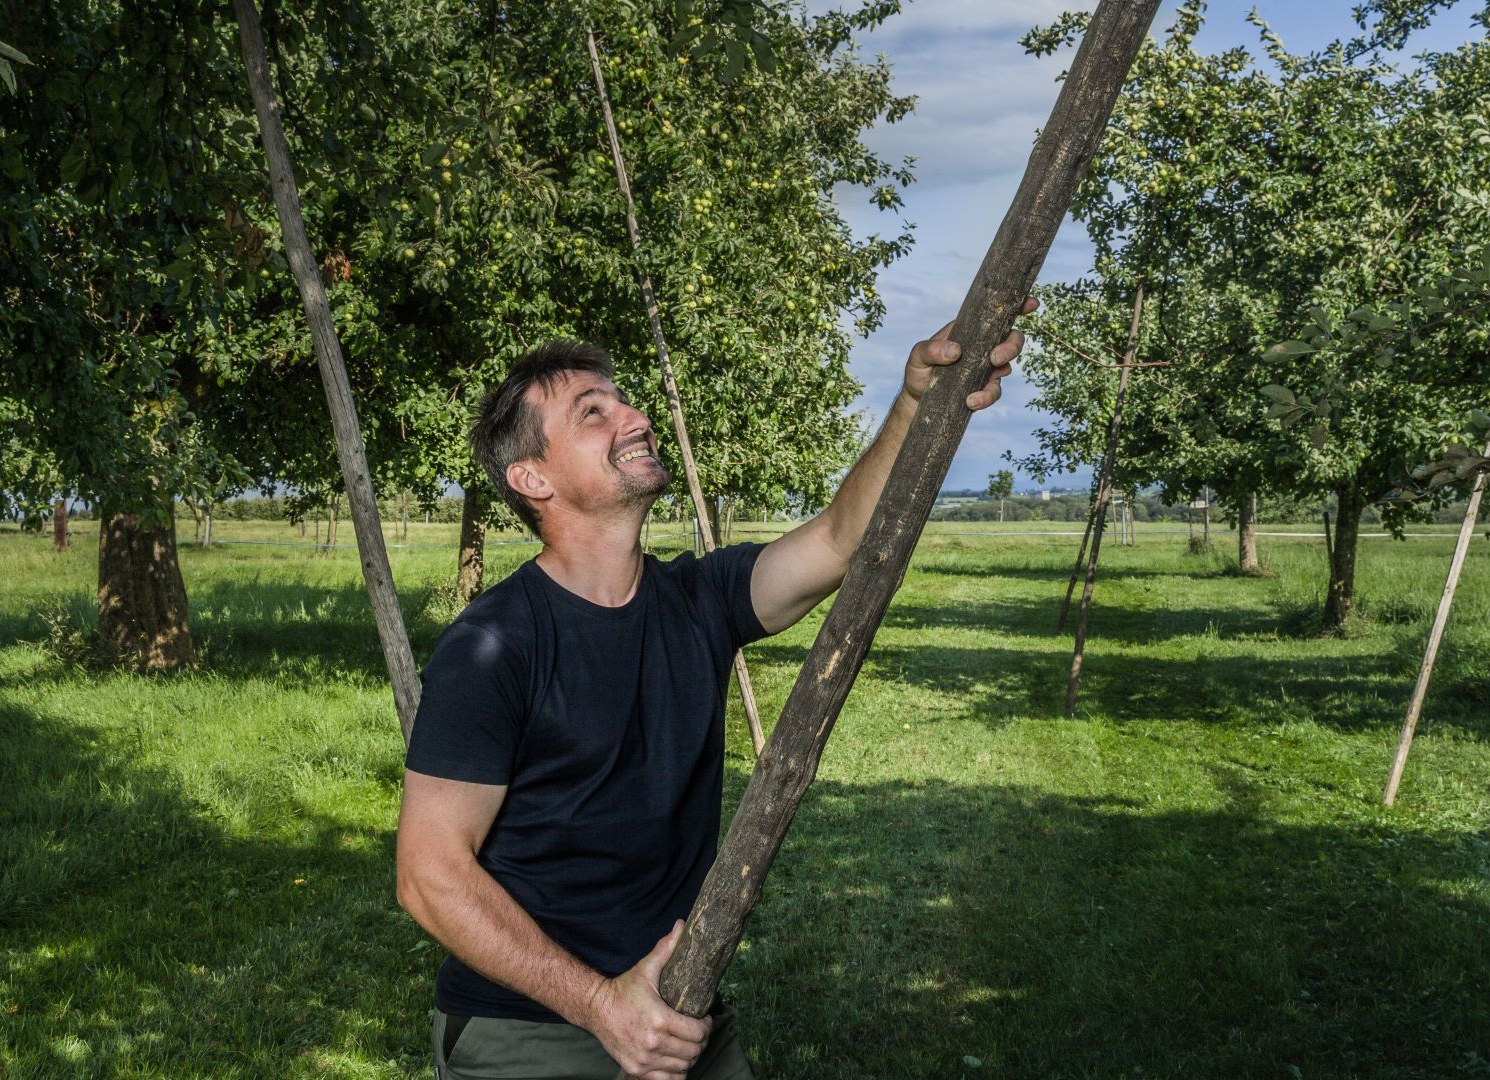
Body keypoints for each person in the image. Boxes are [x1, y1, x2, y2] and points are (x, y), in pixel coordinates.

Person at [397, 305, 1032, 1080]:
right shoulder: (494, 647)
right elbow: (429, 875)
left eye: (622, 400)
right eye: (593, 413)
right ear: (533, 478)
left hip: (679, 1006)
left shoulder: (699, 599)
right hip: (529, 1028)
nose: (634, 417)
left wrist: (913, 403)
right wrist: (603, 1007)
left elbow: (841, 539)